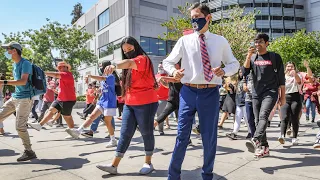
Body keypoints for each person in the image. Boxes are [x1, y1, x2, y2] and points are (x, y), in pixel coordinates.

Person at [163, 3, 240, 179]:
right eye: (191, 18)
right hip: (188, 92)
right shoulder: (185, 41)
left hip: (210, 92)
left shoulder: (220, 41)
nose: (194, 21)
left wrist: (224, 71)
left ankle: (207, 174)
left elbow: (234, 63)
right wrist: (174, 71)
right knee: (182, 135)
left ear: (208, 18)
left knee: (209, 137)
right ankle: (173, 175)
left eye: (197, 17)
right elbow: (168, 62)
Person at [96, 36, 159, 175]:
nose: (127, 52)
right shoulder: (128, 65)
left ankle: (148, 163)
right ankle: (114, 165)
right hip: (130, 103)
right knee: (124, 133)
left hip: (146, 102)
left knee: (146, 132)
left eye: (130, 49)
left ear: (136, 47)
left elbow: (130, 63)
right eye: (125, 51)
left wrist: (114, 65)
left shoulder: (143, 59)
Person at [242, 33, 285, 158]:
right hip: (255, 93)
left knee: (263, 116)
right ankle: (265, 147)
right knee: (257, 120)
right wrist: (248, 56)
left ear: (267, 43)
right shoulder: (252, 58)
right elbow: (244, 72)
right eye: (255, 42)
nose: (257, 44)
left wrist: (282, 97)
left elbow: (281, 79)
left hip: (270, 92)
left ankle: (256, 140)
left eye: (260, 42)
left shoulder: (274, 57)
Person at [66, 61, 119, 148]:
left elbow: (102, 79)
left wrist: (90, 76)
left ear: (106, 67)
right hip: (102, 101)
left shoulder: (111, 76)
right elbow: (103, 88)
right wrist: (97, 91)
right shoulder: (104, 77)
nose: (100, 68)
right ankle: (78, 131)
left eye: (101, 66)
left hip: (109, 102)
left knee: (107, 121)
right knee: (92, 116)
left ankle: (113, 140)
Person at [0, 41, 37, 161]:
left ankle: (29, 151)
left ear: (14, 50)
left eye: (8, 49)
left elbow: (23, 81)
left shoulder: (25, 63)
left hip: (25, 98)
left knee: (20, 127)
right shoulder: (15, 64)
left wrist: (4, 82)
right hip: (15, 97)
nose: (7, 52)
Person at [28, 61, 77, 138]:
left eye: (61, 67)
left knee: (67, 116)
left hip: (68, 100)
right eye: (59, 67)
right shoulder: (63, 75)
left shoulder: (67, 74)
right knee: (51, 110)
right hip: (60, 98)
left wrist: (41, 72)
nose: (60, 69)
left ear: (66, 67)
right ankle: (39, 125)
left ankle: (73, 132)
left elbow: (55, 74)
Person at [278, 62, 302, 146]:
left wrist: (295, 74)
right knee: (284, 117)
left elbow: (299, 82)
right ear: (286, 67)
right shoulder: (282, 76)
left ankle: (294, 138)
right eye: (288, 66)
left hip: (295, 98)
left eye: (291, 66)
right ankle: (282, 136)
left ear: (294, 67)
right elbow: (279, 87)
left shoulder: (298, 75)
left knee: (294, 118)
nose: (290, 68)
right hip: (285, 98)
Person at [226, 70, 251, 140]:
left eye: (242, 72)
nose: (241, 73)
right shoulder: (239, 82)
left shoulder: (247, 81)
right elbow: (235, 91)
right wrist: (231, 88)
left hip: (245, 102)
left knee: (247, 118)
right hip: (239, 102)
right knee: (237, 118)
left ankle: (251, 132)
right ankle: (234, 133)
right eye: (239, 72)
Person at [155, 62, 170, 135]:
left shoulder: (167, 76)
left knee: (160, 115)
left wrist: (161, 80)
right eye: (159, 67)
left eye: (161, 67)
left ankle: (160, 130)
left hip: (163, 99)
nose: (160, 68)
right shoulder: (156, 75)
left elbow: (167, 86)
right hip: (154, 98)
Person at [243, 71, 256, 138]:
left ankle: (258, 137)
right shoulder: (247, 69)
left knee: (258, 119)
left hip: (258, 97)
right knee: (249, 118)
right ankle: (254, 136)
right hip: (248, 97)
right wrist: (244, 84)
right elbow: (244, 77)